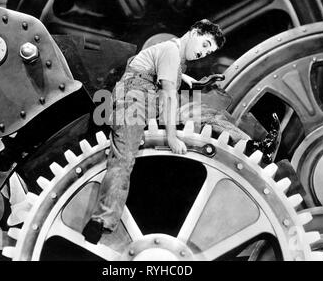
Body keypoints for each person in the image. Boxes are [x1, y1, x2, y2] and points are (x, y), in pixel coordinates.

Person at [82, 19, 277, 243]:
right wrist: (172, 137)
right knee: (124, 158)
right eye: (204, 45)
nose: (204, 54)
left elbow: (176, 79)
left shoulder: (172, 54)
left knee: (204, 111)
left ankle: (253, 148)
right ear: (193, 32)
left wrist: (200, 84)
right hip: (132, 103)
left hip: (145, 98)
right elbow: (167, 95)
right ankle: (100, 223)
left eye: (209, 51)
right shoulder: (171, 51)